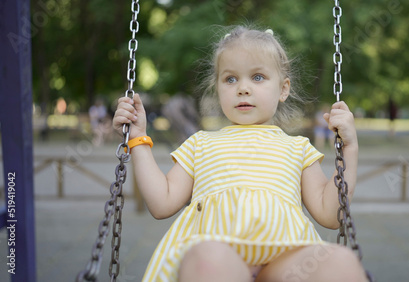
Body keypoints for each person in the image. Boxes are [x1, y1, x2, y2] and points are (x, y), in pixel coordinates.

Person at [113, 26, 366, 282]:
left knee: (340, 262)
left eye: (257, 77)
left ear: (283, 89)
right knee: (208, 258)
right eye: (230, 79)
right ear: (218, 88)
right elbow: (161, 203)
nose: (243, 88)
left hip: (283, 258)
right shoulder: (200, 143)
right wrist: (138, 139)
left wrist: (349, 148)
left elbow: (330, 213)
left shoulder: (298, 148)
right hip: (217, 257)